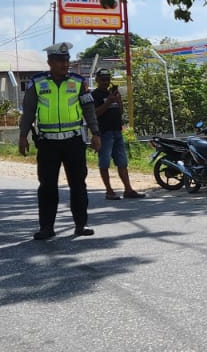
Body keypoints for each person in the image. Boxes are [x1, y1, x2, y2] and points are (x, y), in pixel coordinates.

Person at [18, 42, 102, 240]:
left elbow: (89, 109)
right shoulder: (37, 83)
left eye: (66, 60)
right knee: (47, 186)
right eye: (60, 61)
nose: (65, 64)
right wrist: (23, 135)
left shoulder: (78, 82)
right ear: (50, 62)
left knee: (78, 185)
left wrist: (95, 133)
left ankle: (81, 225)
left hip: (73, 142)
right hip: (48, 143)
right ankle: (47, 227)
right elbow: (28, 111)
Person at [91, 69, 145, 201]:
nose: (105, 81)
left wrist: (119, 100)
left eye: (107, 79)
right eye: (103, 79)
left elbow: (120, 111)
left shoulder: (112, 93)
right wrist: (108, 102)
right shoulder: (94, 95)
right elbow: (94, 114)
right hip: (104, 133)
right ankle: (109, 190)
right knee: (104, 163)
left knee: (122, 162)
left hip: (117, 131)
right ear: (97, 80)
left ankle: (128, 189)